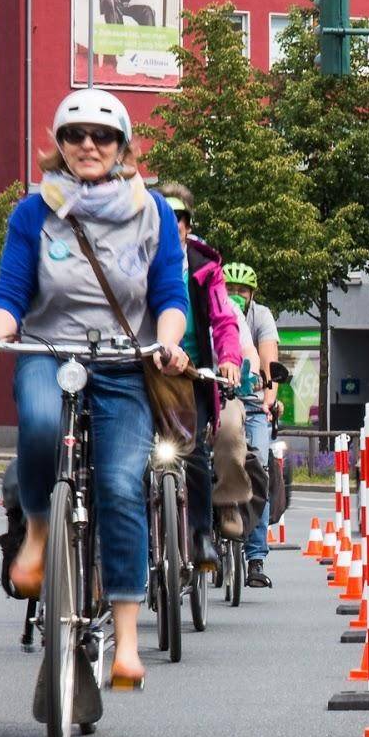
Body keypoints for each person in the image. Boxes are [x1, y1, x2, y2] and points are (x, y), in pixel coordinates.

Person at [0, 88, 190, 691]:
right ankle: (40, 534)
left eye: (102, 136)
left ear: (123, 146)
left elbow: (169, 295)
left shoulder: (153, 213)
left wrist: (168, 341)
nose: (89, 145)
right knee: (43, 426)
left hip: (126, 360)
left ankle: (126, 644)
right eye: (75, 136)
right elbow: (10, 294)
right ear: (59, 146)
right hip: (51, 350)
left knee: (123, 485)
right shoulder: (33, 211)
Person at [156, 182, 243, 576]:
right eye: (164, 217)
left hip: (194, 373)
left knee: (193, 454)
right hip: (148, 369)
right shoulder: (139, 260)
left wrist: (228, 359)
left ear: (188, 226)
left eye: (179, 219)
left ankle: (200, 533)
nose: (172, 226)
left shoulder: (206, 268)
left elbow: (224, 319)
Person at [223, 262, 279, 588]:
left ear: (252, 294)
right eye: (230, 288)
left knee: (259, 464)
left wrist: (268, 399)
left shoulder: (261, 317)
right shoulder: (214, 307)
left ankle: (255, 556)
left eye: (242, 289)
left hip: (254, 403)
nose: (235, 294)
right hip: (222, 398)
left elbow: (268, 363)